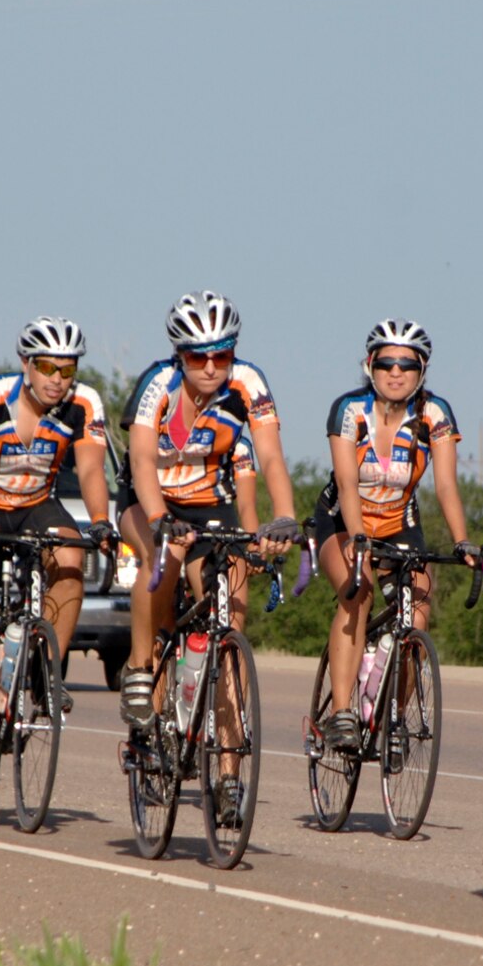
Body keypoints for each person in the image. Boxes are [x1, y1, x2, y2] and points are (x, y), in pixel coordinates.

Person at [0, 317, 112, 783]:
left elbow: (92, 470)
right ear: (25, 364)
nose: (58, 379)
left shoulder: (84, 403)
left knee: (73, 555)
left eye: (67, 369)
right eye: (47, 367)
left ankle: (44, 669)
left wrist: (100, 521)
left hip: (36, 503)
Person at [119, 293, 298, 726]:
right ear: (180, 355)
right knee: (164, 555)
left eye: (223, 354)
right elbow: (141, 460)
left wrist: (286, 515)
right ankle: (141, 670)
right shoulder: (156, 384)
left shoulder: (248, 383)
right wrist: (160, 518)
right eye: (199, 358)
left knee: (230, 606)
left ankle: (228, 766)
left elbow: (271, 456)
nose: (213, 367)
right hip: (148, 499)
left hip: (209, 504)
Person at [309, 319, 476, 749]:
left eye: (407, 363)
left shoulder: (434, 415)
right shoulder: (349, 410)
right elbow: (347, 485)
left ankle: (393, 718)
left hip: (401, 525)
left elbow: (446, 487)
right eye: (386, 363)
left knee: (417, 609)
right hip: (343, 521)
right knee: (357, 589)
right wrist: (360, 541)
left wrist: (462, 541)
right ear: (370, 365)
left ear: (422, 370)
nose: (396, 371)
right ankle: (343, 711)